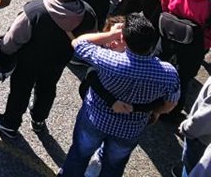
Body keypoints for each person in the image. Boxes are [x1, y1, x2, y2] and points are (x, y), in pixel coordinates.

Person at [58, 15, 179, 177]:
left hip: (95, 119)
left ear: (125, 39)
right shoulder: (168, 73)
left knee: (79, 155)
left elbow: (78, 42)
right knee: (114, 166)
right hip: (130, 129)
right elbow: (170, 104)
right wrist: (154, 111)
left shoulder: (109, 59)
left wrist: (112, 34)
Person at [0, 0, 97, 139]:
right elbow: (89, 40)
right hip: (58, 62)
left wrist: (1, 51)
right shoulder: (88, 14)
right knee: (47, 89)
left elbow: (12, 40)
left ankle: (10, 124)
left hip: (27, 62)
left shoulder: (35, 11)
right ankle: (38, 120)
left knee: (19, 92)